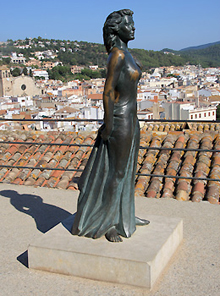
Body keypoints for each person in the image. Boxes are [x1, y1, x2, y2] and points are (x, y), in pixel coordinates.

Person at [71, 9, 149, 242]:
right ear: (117, 29)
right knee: (116, 172)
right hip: (120, 118)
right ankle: (108, 222)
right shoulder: (117, 55)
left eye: (134, 23)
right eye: (129, 24)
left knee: (126, 170)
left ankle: (126, 215)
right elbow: (107, 92)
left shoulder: (127, 53)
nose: (134, 28)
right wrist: (107, 125)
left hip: (131, 118)